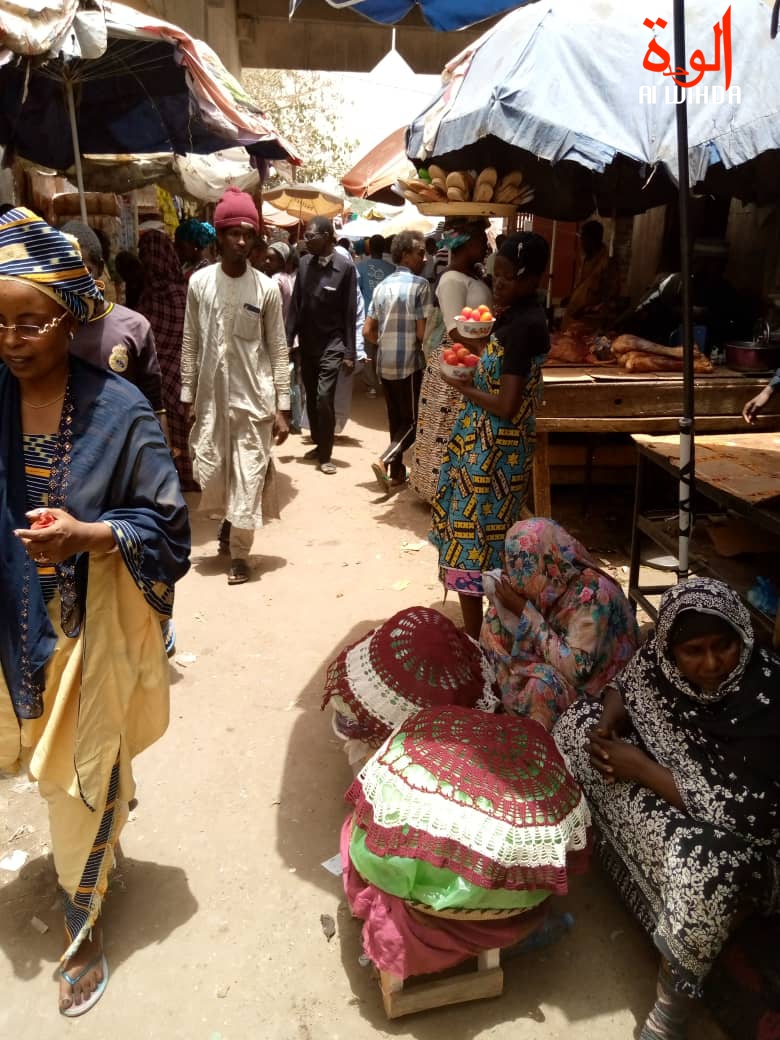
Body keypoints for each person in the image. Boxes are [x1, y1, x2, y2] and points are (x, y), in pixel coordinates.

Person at [0, 207, 190, 1016]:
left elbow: (169, 527)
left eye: (29, 322)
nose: (11, 339)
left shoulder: (120, 411)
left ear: (71, 316)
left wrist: (91, 534)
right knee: (54, 768)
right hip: (8, 627)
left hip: (88, 631)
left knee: (74, 787)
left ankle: (81, 929)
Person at [554, 578, 780, 1040]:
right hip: (674, 791)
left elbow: (757, 816)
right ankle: (623, 852)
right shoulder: (660, 664)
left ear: (742, 636)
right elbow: (630, 683)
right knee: (576, 725)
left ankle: (669, 1012)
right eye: (693, 651)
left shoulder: (768, 696)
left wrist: (639, 768)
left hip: (752, 846)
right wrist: (607, 725)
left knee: (705, 867)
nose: (711, 663)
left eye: (723, 646)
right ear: (670, 651)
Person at [430, 232, 550, 639]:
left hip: (494, 453)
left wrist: (462, 386)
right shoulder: (515, 316)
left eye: (508, 277)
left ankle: (479, 640)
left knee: (475, 541)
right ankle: (486, 634)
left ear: (532, 277)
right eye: (496, 274)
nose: (498, 283)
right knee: (479, 539)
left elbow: (506, 405)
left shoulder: (525, 326)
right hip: (485, 446)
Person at [181, 187, 290, 585]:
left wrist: (282, 406)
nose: (241, 241)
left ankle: (241, 555)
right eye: (233, 233)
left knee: (249, 473)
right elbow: (190, 341)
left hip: (254, 401)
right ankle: (229, 525)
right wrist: (188, 395)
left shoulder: (266, 289)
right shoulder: (199, 284)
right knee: (214, 472)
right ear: (220, 236)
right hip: (211, 401)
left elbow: (278, 347)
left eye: (247, 234)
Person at [480, 518, 639, 730]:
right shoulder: (552, 584)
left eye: (519, 569)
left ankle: (537, 737)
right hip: (554, 657)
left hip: (595, 692)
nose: (510, 574)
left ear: (546, 564)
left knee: (542, 687)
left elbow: (577, 672)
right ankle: (502, 703)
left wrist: (526, 612)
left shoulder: (592, 594)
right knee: (494, 621)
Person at [409, 217, 493, 504]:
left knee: (458, 430)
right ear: (466, 244)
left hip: (470, 360)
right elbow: (455, 328)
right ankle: (438, 494)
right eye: (481, 241)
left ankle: (453, 492)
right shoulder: (451, 280)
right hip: (455, 361)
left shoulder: (473, 277)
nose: (487, 246)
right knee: (444, 430)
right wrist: (485, 350)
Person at [62, 222, 164, 420]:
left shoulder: (134, 327)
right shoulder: (48, 331)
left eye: (84, 271)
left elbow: (155, 406)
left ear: (100, 268)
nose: (74, 282)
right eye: (65, 272)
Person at [363, 229, 432, 490]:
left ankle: (397, 472)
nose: (424, 258)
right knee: (414, 421)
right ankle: (384, 460)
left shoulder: (381, 287)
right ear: (405, 255)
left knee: (396, 419)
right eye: (420, 253)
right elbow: (422, 333)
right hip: (409, 363)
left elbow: (367, 331)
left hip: (384, 362)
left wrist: (386, 342)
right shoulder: (420, 285)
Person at [287, 216, 356, 475]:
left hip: (333, 343)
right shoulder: (304, 264)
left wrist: (350, 351)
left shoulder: (345, 269)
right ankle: (318, 442)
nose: (305, 240)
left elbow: (350, 312)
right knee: (312, 397)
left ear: (327, 237)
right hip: (308, 343)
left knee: (324, 397)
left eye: (310, 236)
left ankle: (326, 454)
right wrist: (287, 341)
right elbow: (296, 306)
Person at [133, 230, 199, 493]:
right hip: (184, 373)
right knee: (185, 428)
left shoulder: (150, 296)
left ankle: (175, 477)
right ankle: (192, 476)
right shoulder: (184, 291)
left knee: (166, 430)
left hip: (160, 375)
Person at [561, 219, 620, 333]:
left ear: (594, 239)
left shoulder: (607, 263)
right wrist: (571, 298)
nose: (581, 243)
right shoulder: (586, 259)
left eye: (584, 238)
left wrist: (587, 309)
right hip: (572, 322)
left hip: (590, 326)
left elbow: (610, 298)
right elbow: (583, 286)